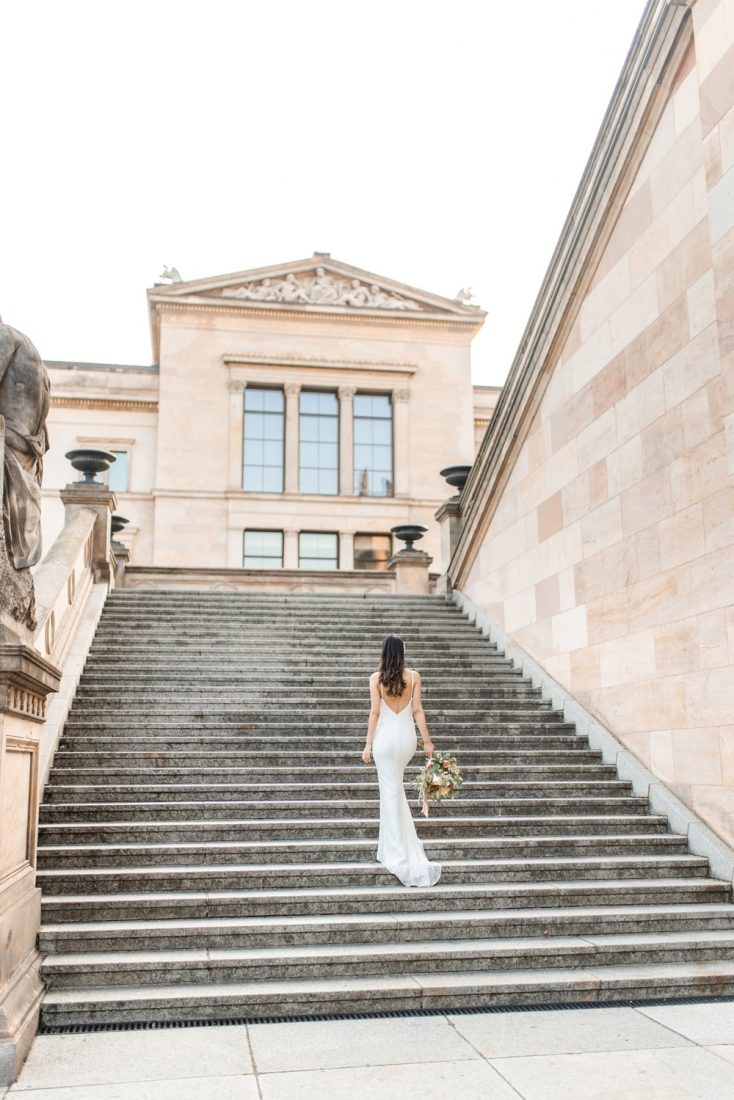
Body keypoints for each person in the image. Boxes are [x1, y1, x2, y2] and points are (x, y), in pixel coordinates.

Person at [362, 635, 442, 887]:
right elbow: (417, 710)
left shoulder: (376, 679)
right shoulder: (414, 677)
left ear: (383, 653)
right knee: (394, 791)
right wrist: (426, 742)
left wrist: (368, 744)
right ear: (402, 652)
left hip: (385, 741)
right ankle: (393, 847)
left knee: (390, 793)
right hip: (406, 739)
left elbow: (375, 713)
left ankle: (395, 852)